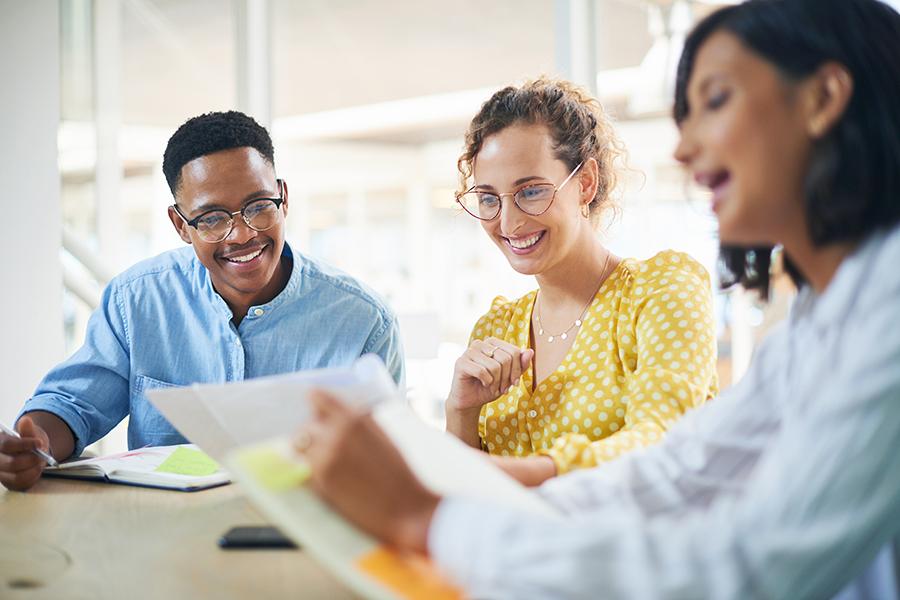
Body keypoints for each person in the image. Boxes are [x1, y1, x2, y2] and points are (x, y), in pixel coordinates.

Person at [295, 0, 900, 597]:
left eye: (716, 101)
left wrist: (426, 516)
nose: (684, 150)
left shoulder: (883, 310)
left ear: (822, 99)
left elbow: (746, 564)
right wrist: (453, 483)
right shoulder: (824, 316)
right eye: (487, 197)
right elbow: (682, 471)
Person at [0, 110, 404, 492]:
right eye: (212, 218)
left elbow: (391, 463)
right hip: (168, 534)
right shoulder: (137, 300)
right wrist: (31, 447)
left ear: (283, 198)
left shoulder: (364, 322)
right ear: (180, 225)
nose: (242, 235)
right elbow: (71, 404)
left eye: (259, 207)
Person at [445, 79, 718, 486]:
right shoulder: (495, 329)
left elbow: (664, 440)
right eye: (488, 198)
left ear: (585, 182)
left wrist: (527, 473)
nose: (507, 222)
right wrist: (460, 412)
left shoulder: (660, 293)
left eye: (531, 191)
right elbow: (462, 501)